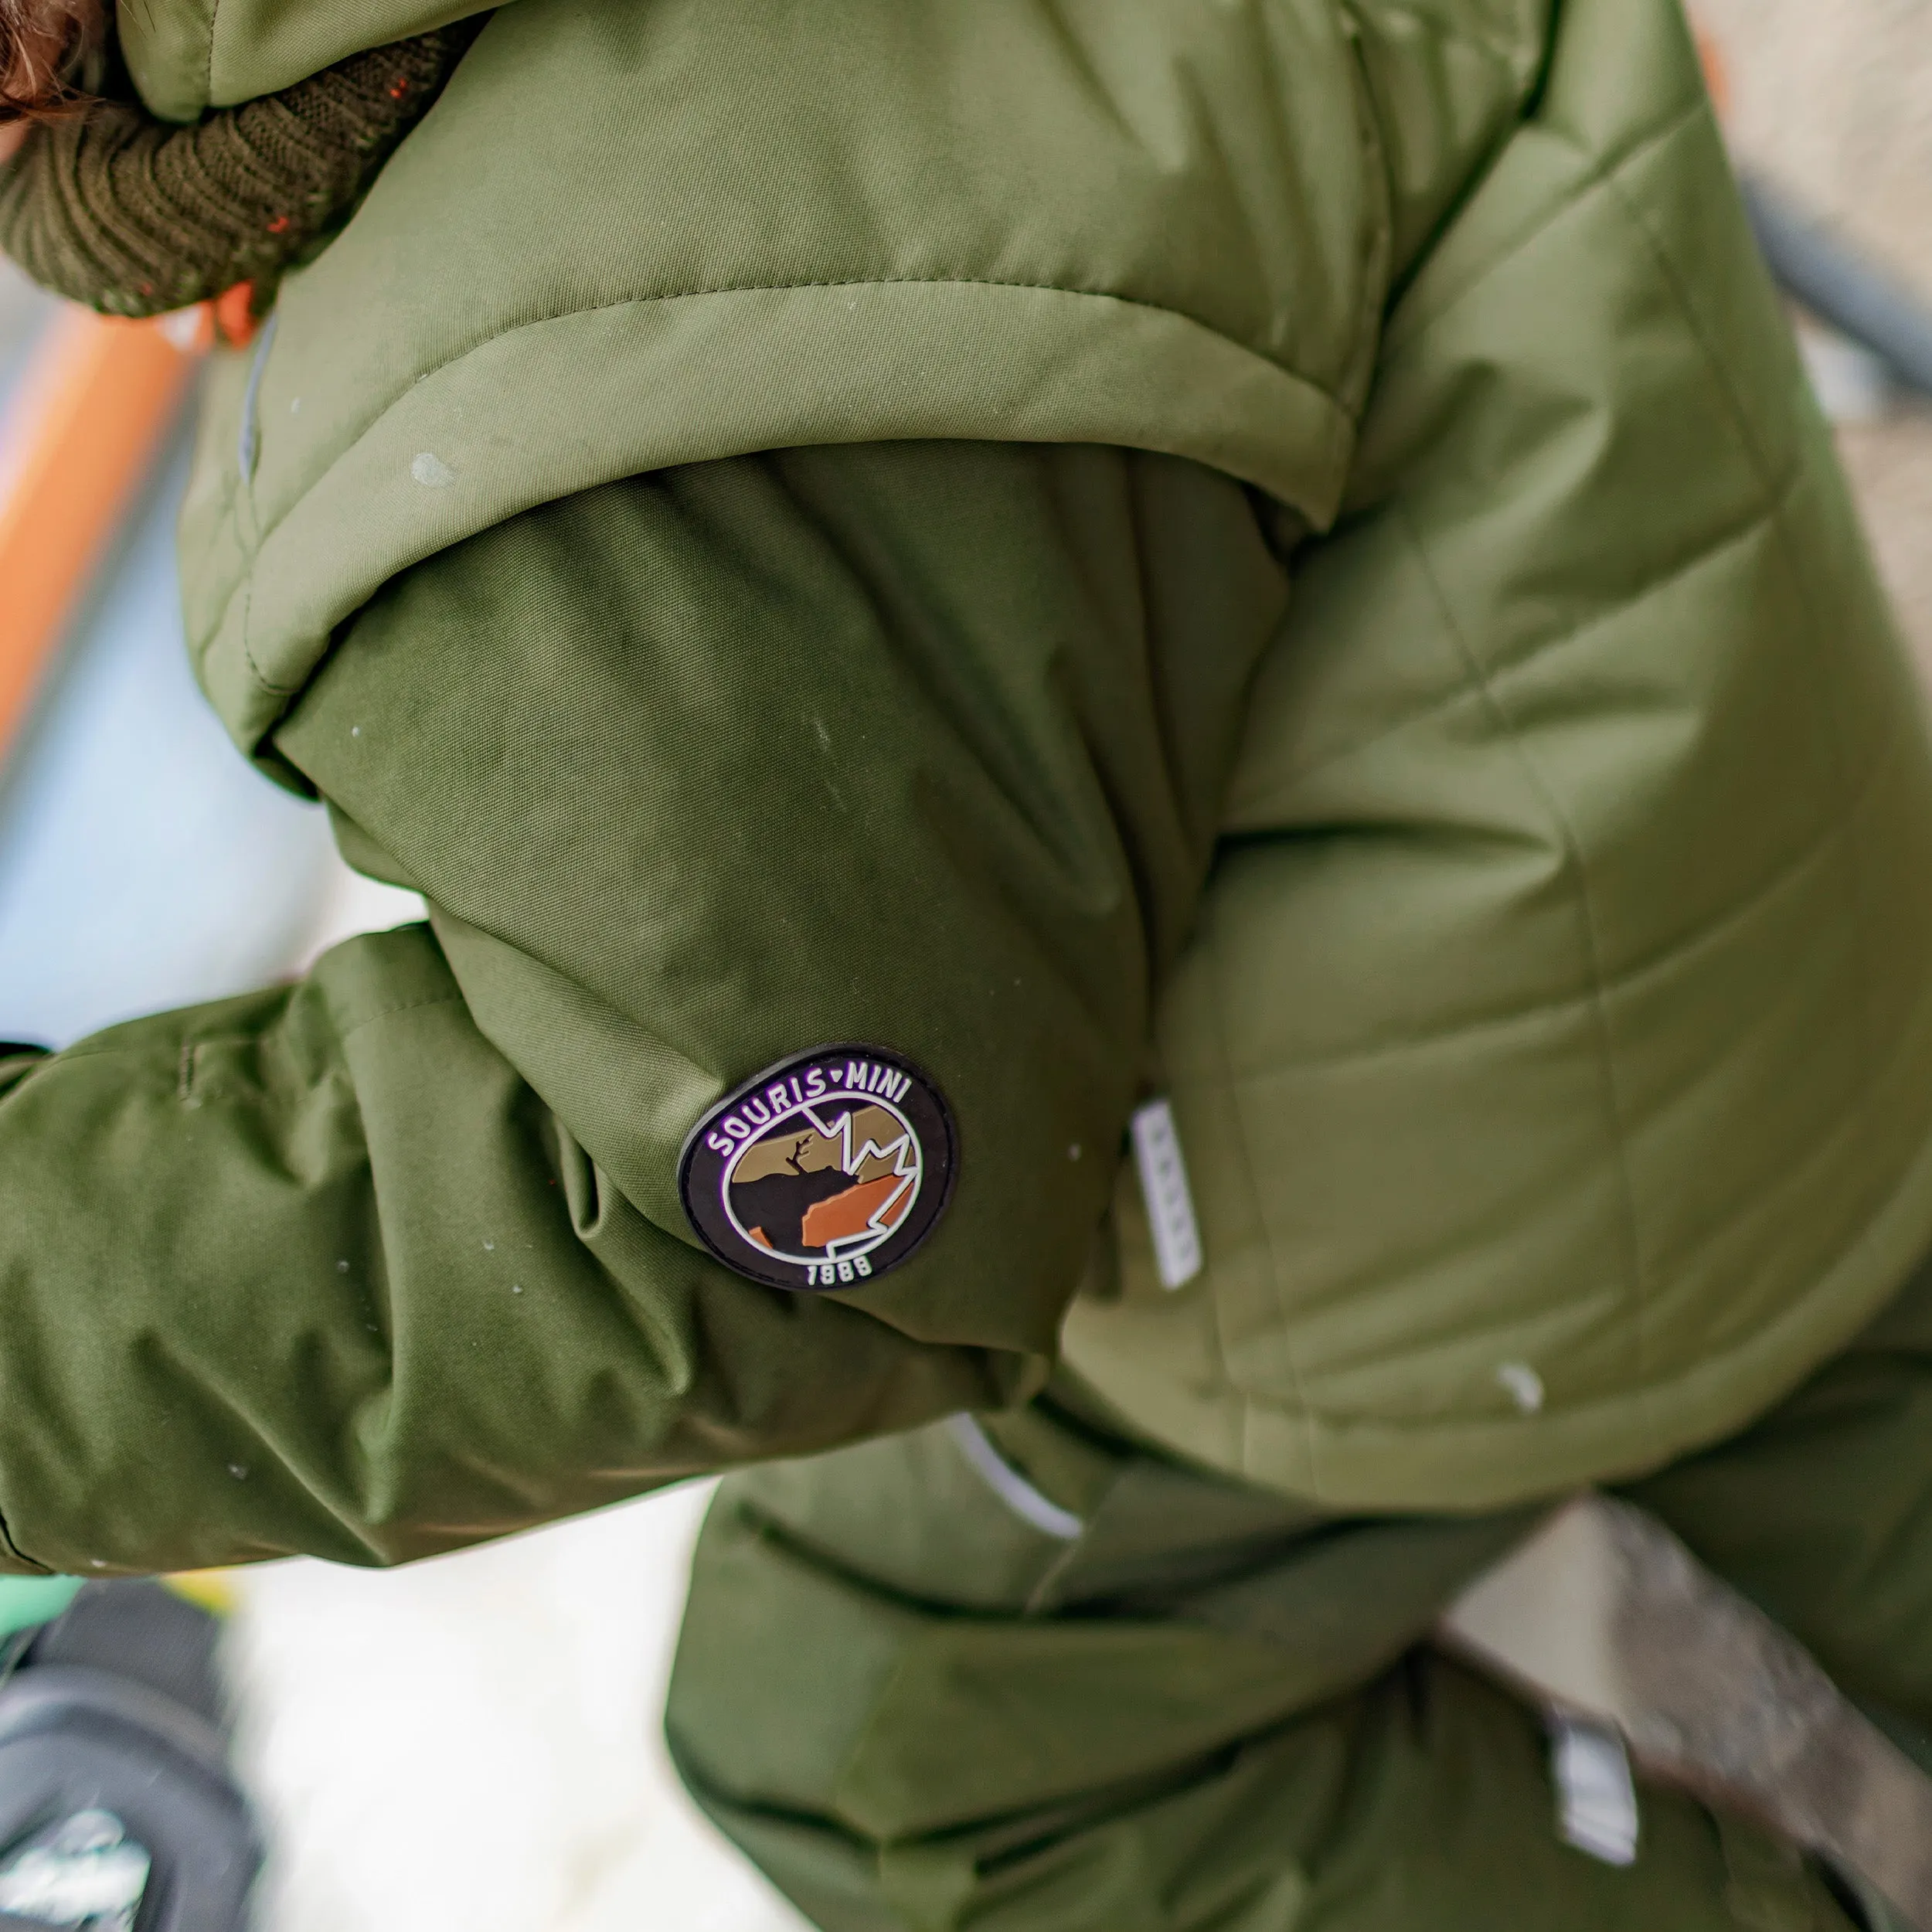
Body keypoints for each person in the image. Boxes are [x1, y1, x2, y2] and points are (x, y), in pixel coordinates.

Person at [3, 0, 1932, 1924]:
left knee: (874, 1729)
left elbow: (742, 1219)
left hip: (1510, 1115)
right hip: (1680, 744)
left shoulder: (585, 369)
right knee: (1848, 1357)